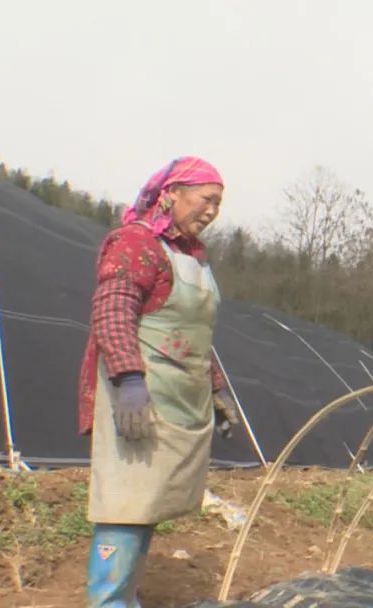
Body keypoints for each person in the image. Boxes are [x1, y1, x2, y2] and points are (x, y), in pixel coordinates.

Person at [77, 156, 242, 607]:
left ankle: (124, 597)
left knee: (145, 505)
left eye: (218, 204)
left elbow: (193, 337)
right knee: (124, 504)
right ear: (171, 193)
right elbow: (112, 311)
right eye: (206, 199)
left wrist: (218, 388)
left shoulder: (192, 258)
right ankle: (107, 600)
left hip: (178, 399)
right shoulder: (137, 243)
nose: (211, 211)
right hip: (138, 399)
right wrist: (129, 379)